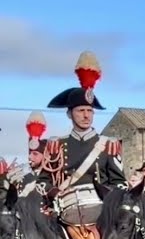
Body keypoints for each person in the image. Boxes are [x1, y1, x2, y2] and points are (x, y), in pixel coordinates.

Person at [42, 50, 128, 198]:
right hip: (66, 204)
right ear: (69, 114)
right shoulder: (57, 145)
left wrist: (108, 195)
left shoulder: (108, 145)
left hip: (100, 205)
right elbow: (42, 182)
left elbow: (120, 183)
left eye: (90, 110)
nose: (86, 115)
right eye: (81, 110)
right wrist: (54, 193)